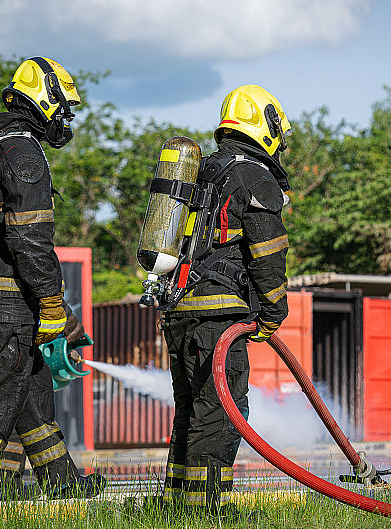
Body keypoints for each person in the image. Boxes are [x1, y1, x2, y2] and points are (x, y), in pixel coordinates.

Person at [0, 57, 105, 502]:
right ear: (44, 100)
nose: (64, 119)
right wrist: (53, 305)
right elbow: (30, 241)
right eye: (63, 107)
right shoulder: (23, 152)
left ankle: (62, 485)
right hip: (6, 298)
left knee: (30, 391)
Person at [159, 84, 291, 518]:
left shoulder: (201, 170)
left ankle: (175, 507)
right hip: (219, 316)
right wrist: (273, 311)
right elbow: (267, 253)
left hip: (178, 308)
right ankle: (207, 512)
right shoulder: (254, 175)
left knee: (191, 411)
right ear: (266, 125)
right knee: (220, 413)